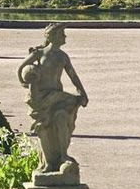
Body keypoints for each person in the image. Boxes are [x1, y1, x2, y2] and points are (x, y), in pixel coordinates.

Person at [19, 24, 89, 174]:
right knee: (42, 128)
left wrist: (82, 93)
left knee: (62, 118)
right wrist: (27, 82)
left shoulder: (63, 56)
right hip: (40, 97)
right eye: (62, 34)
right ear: (53, 36)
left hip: (57, 96)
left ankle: (63, 155)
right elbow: (21, 69)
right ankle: (48, 163)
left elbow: (73, 76)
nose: (65, 37)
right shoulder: (40, 53)